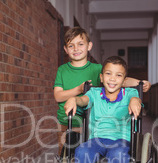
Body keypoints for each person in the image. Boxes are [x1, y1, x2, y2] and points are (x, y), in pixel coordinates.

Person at [63, 55, 142, 163]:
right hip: (97, 140)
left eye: (118, 75)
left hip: (121, 141)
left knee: (119, 155)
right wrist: (73, 99)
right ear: (101, 77)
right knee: (82, 150)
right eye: (108, 74)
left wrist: (135, 100)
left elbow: (135, 99)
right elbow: (83, 99)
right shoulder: (94, 93)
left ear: (124, 80)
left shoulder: (130, 93)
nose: (112, 79)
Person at [54, 27, 150, 155]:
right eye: (71, 46)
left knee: (90, 152)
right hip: (70, 118)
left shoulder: (97, 68)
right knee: (67, 154)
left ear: (89, 46)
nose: (76, 49)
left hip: (92, 117)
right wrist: (78, 89)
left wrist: (139, 83)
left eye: (80, 44)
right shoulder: (62, 70)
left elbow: (116, 79)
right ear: (66, 49)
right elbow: (58, 96)